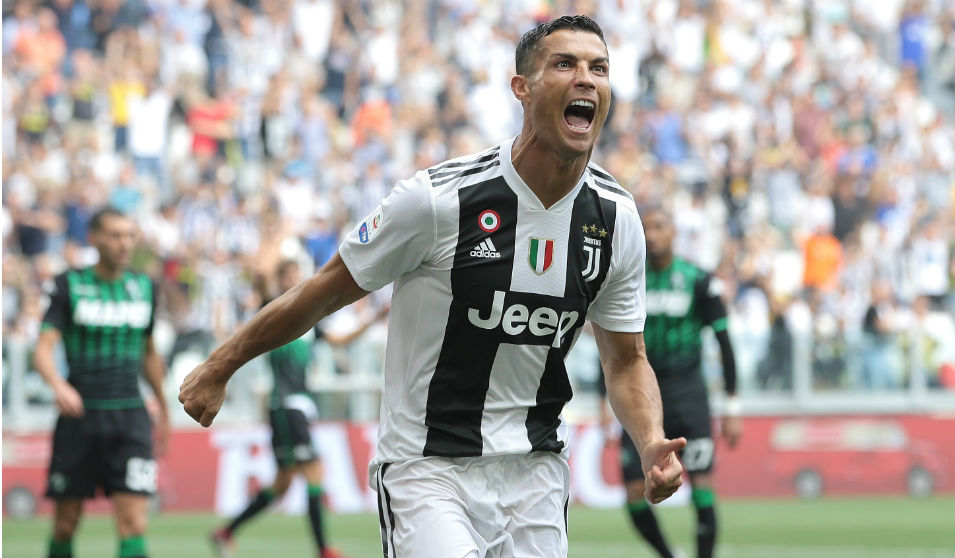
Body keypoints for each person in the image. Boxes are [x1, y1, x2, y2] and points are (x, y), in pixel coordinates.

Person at [180, 15, 685, 558]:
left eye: (599, 68)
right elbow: (325, 290)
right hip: (428, 468)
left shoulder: (615, 219)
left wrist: (650, 437)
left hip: (536, 472)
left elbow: (626, 358)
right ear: (522, 87)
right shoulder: (441, 201)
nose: (586, 78)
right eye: (565, 63)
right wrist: (221, 364)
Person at [599, 205, 740, 558]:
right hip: (641, 395)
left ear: (674, 232)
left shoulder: (699, 280)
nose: (652, 235)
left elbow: (724, 343)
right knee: (633, 494)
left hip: (689, 394)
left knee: (703, 486)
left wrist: (733, 405)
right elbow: (612, 349)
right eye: (646, 228)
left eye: (660, 226)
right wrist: (604, 400)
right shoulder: (630, 279)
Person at [35, 207, 169, 558]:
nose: (124, 244)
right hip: (80, 418)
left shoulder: (144, 287)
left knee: (134, 524)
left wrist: (166, 408)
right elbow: (43, 349)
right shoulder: (69, 284)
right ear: (93, 238)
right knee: (66, 524)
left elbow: (150, 352)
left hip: (131, 418)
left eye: (129, 235)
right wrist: (58, 385)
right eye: (114, 235)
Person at [210, 260, 341, 558]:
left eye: (299, 273)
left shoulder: (309, 319)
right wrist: (260, 280)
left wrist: (373, 318)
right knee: (314, 472)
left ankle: (225, 532)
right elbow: (266, 294)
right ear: (281, 279)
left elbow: (340, 340)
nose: (297, 278)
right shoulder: (277, 310)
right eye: (291, 274)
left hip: (296, 406)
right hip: (286, 405)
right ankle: (323, 550)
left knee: (282, 485)